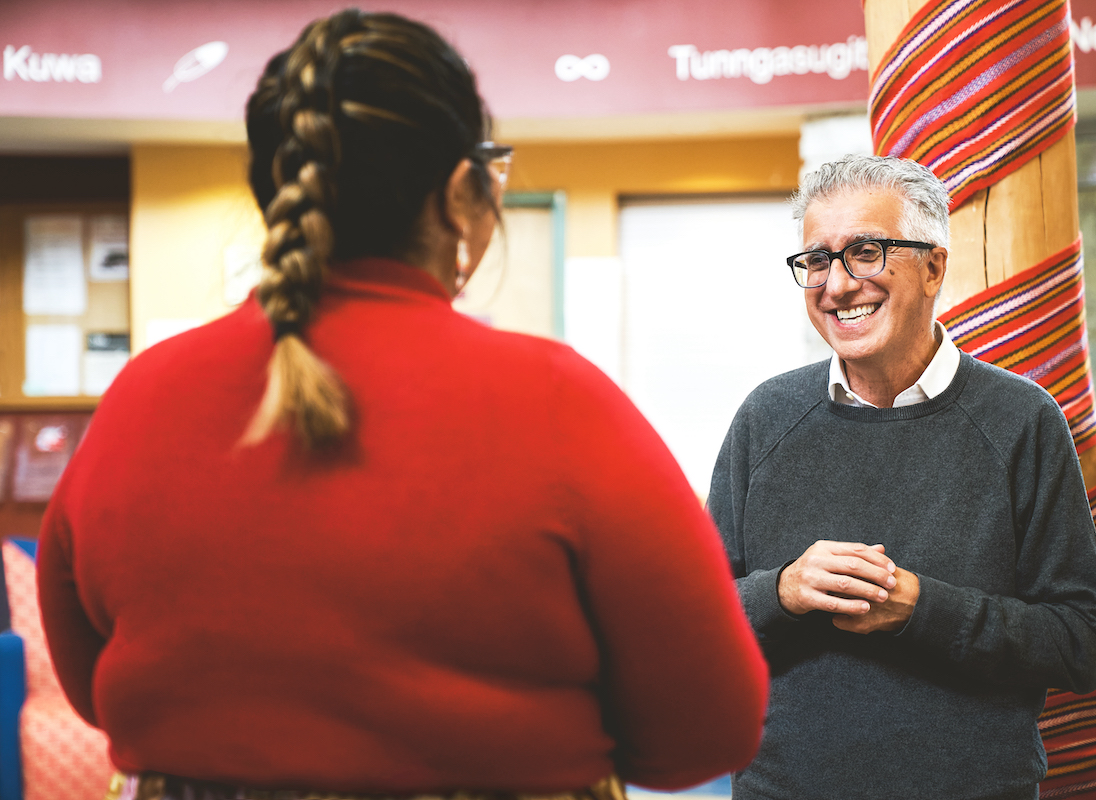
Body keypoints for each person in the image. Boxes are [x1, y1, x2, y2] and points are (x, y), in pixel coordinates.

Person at [37, 10, 767, 800]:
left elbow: (92, 688)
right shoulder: (556, 400)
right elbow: (710, 729)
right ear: (462, 192)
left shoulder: (140, 397)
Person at [708, 154, 1096, 800]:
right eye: (816, 260)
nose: (837, 285)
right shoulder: (766, 416)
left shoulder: (1021, 419)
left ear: (933, 267)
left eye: (865, 252)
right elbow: (694, 622)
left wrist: (921, 610)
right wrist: (782, 591)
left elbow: (1080, 644)